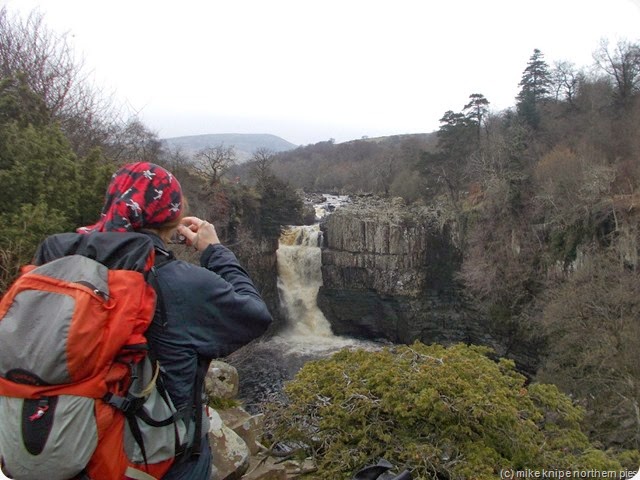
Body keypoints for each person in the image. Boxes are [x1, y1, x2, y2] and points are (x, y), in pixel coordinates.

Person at [78, 161, 273, 479]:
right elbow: (255, 315)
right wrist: (214, 250)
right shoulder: (181, 283)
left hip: (76, 447)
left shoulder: (66, 266)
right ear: (170, 218)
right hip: (158, 461)